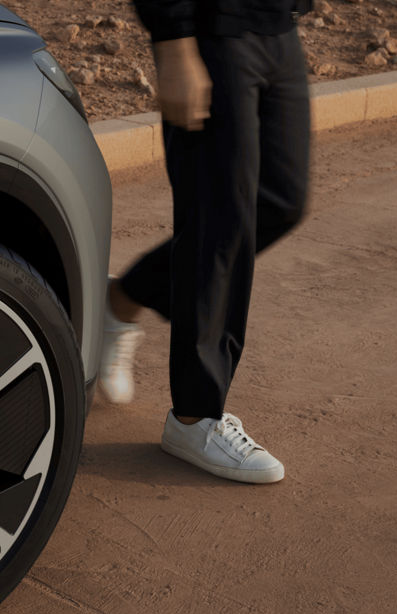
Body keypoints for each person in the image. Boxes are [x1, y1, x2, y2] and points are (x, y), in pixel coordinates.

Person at [101, 0, 313, 484]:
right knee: (219, 217)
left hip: (278, 24)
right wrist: (173, 40)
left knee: (281, 200)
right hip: (211, 30)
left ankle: (124, 297)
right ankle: (194, 418)